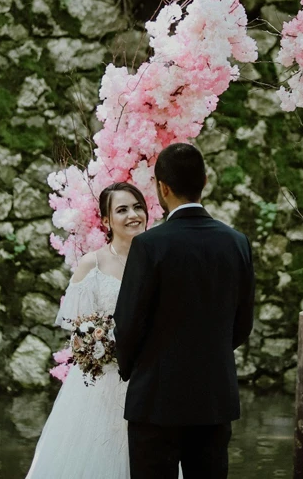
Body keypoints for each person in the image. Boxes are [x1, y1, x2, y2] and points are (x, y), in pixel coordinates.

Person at [113, 142, 256, 479]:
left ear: (162, 188)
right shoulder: (236, 242)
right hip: (214, 398)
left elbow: (129, 323)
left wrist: (132, 369)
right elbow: (242, 325)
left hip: (155, 399)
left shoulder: (149, 245)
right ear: (205, 180)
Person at [26, 182, 149, 479]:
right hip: (101, 388)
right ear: (106, 221)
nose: (133, 215)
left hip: (147, 382)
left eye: (137, 207)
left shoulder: (156, 260)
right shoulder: (91, 264)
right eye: (122, 210)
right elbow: (78, 335)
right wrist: (102, 344)